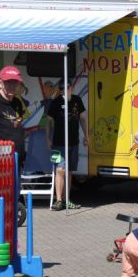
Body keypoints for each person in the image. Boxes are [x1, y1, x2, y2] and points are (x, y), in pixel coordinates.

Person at [45, 80, 90, 211]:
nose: (64, 89)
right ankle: (58, 200)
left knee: (69, 172)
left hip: (73, 143)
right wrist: (48, 138)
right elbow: (48, 121)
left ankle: (67, 199)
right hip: (58, 143)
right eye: (61, 88)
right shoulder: (56, 102)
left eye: (66, 87)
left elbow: (83, 118)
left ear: (71, 87)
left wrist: (86, 136)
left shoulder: (77, 100)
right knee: (59, 170)